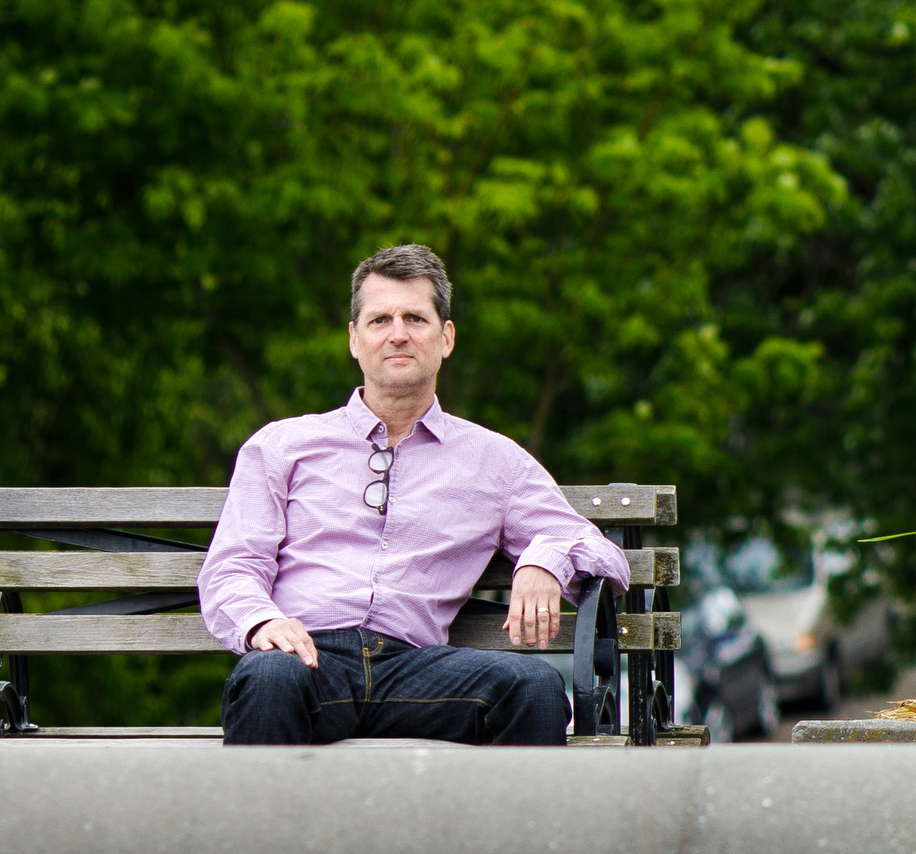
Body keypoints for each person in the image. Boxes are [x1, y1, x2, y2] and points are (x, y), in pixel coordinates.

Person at [198, 244, 629, 745]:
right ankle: (266, 828)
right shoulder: (281, 446)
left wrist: (546, 557)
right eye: (380, 320)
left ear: (446, 338)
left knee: (534, 686)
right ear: (354, 340)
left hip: (417, 670)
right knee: (267, 675)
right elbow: (232, 567)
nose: (397, 333)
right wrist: (261, 623)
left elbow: (608, 559)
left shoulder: (496, 461)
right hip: (306, 661)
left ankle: (509, 828)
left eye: (415, 319)